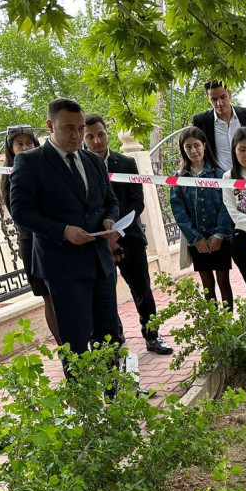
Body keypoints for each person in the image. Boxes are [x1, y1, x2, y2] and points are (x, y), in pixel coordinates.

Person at [10, 98, 124, 371]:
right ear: (51, 126)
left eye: (80, 128)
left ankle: (115, 397)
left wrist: (110, 220)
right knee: (74, 341)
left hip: (100, 262)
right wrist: (63, 231)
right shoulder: (30, 162)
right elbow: (21, 212)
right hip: (62, 266)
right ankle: (85, 407)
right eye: (68, 128)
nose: (76, 135)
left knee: (109, 336)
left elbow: (110, 202)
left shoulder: (93, 161)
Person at [83, 113, 173, 355]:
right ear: (83, 137)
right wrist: (104, 234)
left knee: (142, 289)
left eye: (100, 134)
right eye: (90, 136)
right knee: (105, 296)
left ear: (107, 133)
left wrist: (118, 231)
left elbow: (137, 202)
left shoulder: (125, 163)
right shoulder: (79, 167)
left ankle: (152, 335)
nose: (97, 141)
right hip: (98, 244)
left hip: (129, 238)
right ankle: (116, 336)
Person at [0, 125, 60, 345]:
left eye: (28, 143)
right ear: (11, 149)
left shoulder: (47, 169)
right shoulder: (8, 177)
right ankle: (65, 349)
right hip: (32, 243)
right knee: (49, 298)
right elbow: (21, 214)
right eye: (19, 144)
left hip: (56, 240)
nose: (24, 148)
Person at [169, 126, 234, 310]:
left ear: (204, 146)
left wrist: (219, 234)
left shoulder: (219, 174)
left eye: (196, 145)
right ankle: (214, 325)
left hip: (219, 239)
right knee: (207, 285)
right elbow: (179, 212)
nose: (193, 151)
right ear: (183, 150)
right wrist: (195, 239)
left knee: (223, 281)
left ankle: (228, 322)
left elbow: (227, 205)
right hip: (197, 241)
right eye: (188, 147)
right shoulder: (179, 179)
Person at [192, 80, 246, 173]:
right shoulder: (201, 121)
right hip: (219, 179)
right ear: (208, 98)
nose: (219, 103)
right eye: (214, 99)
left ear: (230, 94)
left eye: (223, 97)